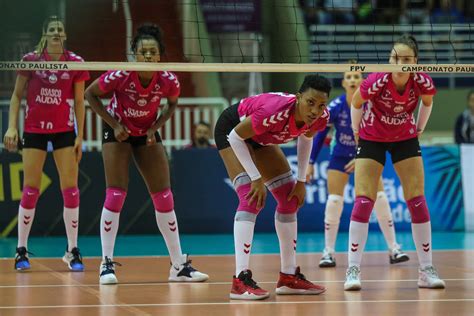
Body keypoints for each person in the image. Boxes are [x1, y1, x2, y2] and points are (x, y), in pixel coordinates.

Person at [84, 24, 208, 285]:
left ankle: (178, 266)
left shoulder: (168, 79)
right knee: (116, 194)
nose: (148, 56)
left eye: (153, 52)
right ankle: (106, 264)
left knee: (164, 196)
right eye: (143, 52)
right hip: (117, 130)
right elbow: (90, 94)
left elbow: (173, 103)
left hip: (147, 132)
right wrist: (114, 124)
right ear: (134, 54)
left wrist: (155, 127)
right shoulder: (119, 75)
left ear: (160, 55)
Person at [214, 75, 331, 300]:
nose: (315, 110)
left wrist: (301, 181)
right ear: (298, 98)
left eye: (321, 105)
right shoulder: (274, 111)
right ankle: (240, 280)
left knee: (290, 200)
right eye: (310, 102)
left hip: (261, 137)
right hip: (233, 130)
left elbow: (306, 139)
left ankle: (288, 277)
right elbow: (236, 137)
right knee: (250, 197)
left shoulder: (320, 117)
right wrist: (256, 178)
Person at [344, 34, 445, 291]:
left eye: (406, 59)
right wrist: (357, 133)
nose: (399, 63)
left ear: (416, 62)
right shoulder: (377, 79)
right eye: (394, 58)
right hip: (371, 137)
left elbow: (427, 102)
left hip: (405, 137)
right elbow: (356, 102)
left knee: (417, 200)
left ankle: (426, 270)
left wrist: (419, 128)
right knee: (364, 199)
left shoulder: (422, 81)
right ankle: (353, 269)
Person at [3, 15, 89, 272]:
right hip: (34, 130)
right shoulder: (30, 60)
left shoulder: (75, 62)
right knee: (30, 189)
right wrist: (11, 127)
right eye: (51, 29)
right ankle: (20, 250)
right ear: (44, 34)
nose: (55, 33)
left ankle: (71, 249)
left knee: (71, 190)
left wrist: (80, 135)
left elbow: (80, 101)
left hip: (64, 131)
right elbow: (17, 96)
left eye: (59, 30)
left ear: (64, 36)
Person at [306, 67, 409, 268]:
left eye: (356, 76)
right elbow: (319, 136)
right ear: (344, 83)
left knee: (380, 197)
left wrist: (361, 156)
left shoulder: (371, 104)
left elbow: (380, 132)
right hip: (340, 156)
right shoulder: (336, 106)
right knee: (334, 200)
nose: (352, 79)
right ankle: (328, 252)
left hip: (366, 155)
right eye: (348, 77)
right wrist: (310, 163)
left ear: (362, 81)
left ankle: (394, 248)